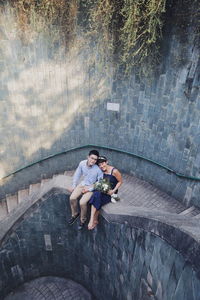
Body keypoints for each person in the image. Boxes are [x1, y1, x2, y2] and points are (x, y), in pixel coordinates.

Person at [68, 150, 103, 230]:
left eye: (95, 159)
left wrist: (89, 189)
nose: (93, 161)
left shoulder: (98, 170)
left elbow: (100, 183)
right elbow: (77, 174)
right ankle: (75, 214)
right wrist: (74, 185)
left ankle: (83, 220)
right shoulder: (82, 163)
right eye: (92, 158)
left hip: (91, 187)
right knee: (72, 198)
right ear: (88, 157)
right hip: (83, 184)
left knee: (82, 202)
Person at [88, 156, 122, 230]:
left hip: (111, 192)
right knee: (97, 195)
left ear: (106, 162)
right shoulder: (101, 171)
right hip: (103, 189)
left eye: (103, 163)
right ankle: (94, 220)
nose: (101, 166)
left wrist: (113, 190)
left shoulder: (114, 171)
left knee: (96, 196)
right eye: (99, 165)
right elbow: (99, 182)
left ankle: (92, 220)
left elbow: (120, 181)